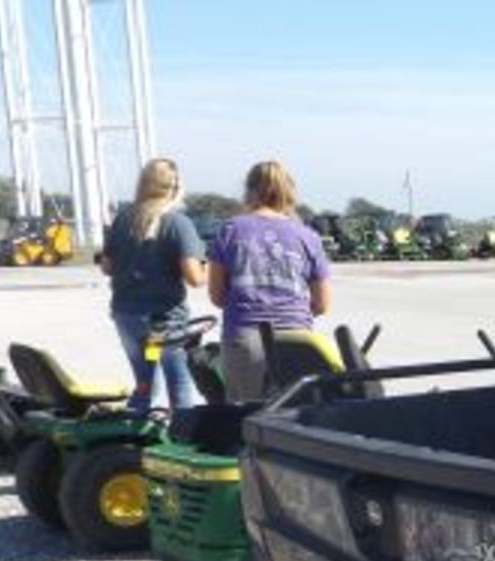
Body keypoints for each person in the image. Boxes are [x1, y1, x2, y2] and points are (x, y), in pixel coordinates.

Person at [207, 161, 331, 401]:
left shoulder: (230, 230)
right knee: (294, 419)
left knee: (247, 417)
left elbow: (217, 296)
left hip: (245, 337)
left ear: (249, 190)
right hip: (297, 341)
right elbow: (323, 304)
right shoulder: (307, 236)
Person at [99, 158, 206, 413]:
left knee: (145, 381)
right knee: (177, 381)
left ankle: (134, 430)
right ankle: (182, 433)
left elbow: (107, 267)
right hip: (161, 322)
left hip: (127, 316)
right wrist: (210, 267)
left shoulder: (124, 219)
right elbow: (194, 278)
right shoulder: (177, 223)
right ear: (175, 187)